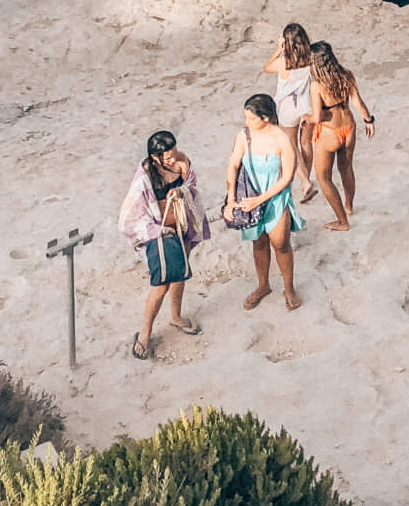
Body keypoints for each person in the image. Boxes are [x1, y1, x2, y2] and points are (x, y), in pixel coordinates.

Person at [119, 130, 210, 360]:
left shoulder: (182, 160)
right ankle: (144, 333)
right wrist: (158, 229)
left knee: (180, 272)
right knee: (161, 284)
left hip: (182, 226)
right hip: (160, 232)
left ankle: (176, 316)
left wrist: (180, 192)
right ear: (155, 156)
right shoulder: (145, 176)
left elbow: (191, 184)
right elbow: (131, 212)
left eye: (173, 153)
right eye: (167, 157)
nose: (173, 158)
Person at [223, 92, 303, 312]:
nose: (246, 123)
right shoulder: (244, 135)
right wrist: (230, 200)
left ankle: (288, 287)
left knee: (281, 244)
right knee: (258, 243)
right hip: (250, 197)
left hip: (275, 198)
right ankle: (263, 285)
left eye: (251, 119)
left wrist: (260, 200)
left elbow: (287, 177)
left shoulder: (282, 139)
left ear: (265, 118)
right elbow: (233, 165)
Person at [307, 39, 376, 230]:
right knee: (346, 168)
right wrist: (369, 121)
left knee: (323, 177)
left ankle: (342, 221)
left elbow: (318, 116)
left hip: (330, 132)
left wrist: (305, 117)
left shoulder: (316, 85)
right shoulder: (347, 75)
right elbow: (358, 103)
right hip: (349, 127)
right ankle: (349, 206)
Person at [265, 21, 317, 202]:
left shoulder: (283, 62)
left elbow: (266, 67)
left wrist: (278, 50)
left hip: (288, 108)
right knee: (306, 143)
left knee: (291, 145)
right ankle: (307, 178)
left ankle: (305, 182)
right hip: (307, 104)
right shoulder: (311, 59)